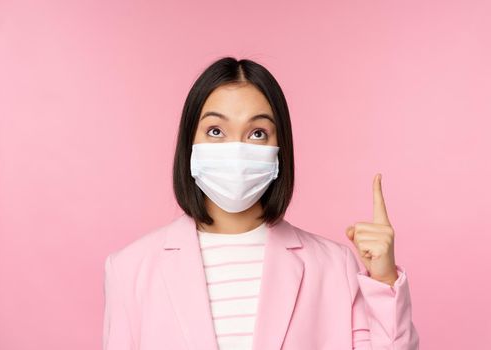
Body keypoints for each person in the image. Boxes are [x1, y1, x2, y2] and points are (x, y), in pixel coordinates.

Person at [102, 57, 420, 350]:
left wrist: (384, 280)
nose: (237, 150)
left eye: (257, 133)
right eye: (216, 131)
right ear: (190, 144)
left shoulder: (334, 267)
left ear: (280, 149)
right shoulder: (130, 269)